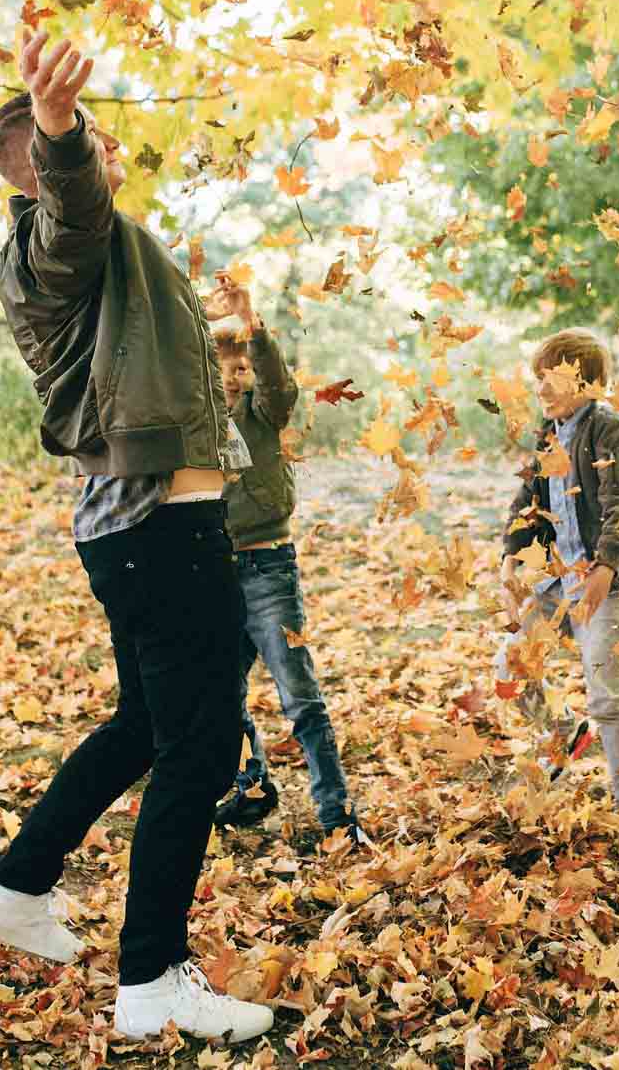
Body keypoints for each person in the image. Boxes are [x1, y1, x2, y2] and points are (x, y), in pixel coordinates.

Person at [0, 30, 274, 1044]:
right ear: (57, 164)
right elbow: (70, 213)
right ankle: (152, 980)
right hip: (156, 526)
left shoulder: (93, 259)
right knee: (199, 743)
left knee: (147, 723)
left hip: (145, 524)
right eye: (89, 147)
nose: (106, 158)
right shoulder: (58, 242)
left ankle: (18, 885)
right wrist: (60, 132)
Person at [204, 302, 368, 846]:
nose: (235, 371)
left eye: (242, 362)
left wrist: (254, 331)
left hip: (269, 568)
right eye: (224, 362)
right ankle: (252, 787)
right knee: (221, 697)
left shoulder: (265, 413)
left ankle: (335, 813)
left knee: (299, 695)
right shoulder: (197, 422)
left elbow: (280, 385)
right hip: (216, 572)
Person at [496, 329, 619, 805]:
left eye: (551, 378)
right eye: (538, 378)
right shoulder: (549, 435)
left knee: (606, 693)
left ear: (584, 383)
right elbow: (527, 502)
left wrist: (606, 567)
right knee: (511, 663)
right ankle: (564, 729)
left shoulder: (607, 430)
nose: (540, 389)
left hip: (604, 582)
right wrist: (510, 554)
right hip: (556, 579)